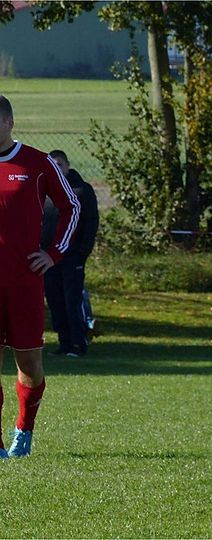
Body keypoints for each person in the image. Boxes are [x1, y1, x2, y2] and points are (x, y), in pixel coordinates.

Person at [0, 95, 80, 457]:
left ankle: (24, 431)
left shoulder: (37, 162)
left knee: (29, 362)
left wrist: (54, 253)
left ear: (10, 123)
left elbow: (72, 206)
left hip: (24, 283)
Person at [42, 149, 100, 357]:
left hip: (72, 256)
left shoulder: (81, 191)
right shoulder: (46, 192)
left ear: (67, 165)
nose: (56, 169)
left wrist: (82, 252)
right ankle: (64, 342)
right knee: (55, 299)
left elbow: (91, 222)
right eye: (52, 165)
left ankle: (79, 342)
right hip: (49, 258)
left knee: (72, 299)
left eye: (59, 165)